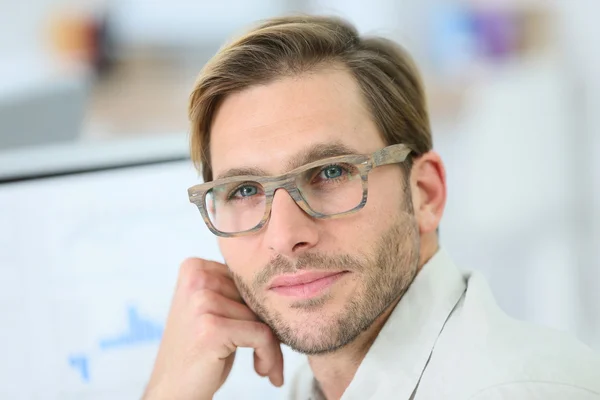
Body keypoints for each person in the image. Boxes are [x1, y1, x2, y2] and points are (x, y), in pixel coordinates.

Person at [143, 15, 600, 400]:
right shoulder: (319, 385)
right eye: (244, 190)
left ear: (425, 194)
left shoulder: (521, 390)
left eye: (331, 172)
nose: (284, 235)